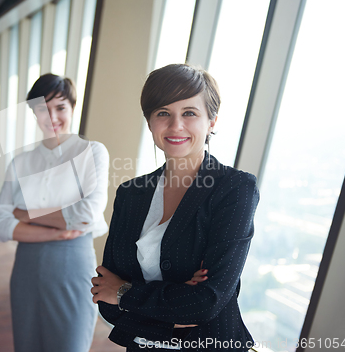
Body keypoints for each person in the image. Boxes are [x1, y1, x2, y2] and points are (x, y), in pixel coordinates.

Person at [91, 64, 260, 351]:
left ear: (212, 121)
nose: (175, 126)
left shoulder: (234, 189)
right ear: (149, 122)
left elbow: (206, 304)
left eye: (190, 113)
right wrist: (174, 310)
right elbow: (105, 300)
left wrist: (124, 292)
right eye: (163, 113)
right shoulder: (130, 194)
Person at [0, 74, 110, 352]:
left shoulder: (92, 153)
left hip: (72, 267)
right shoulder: (21, 162)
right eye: (43, 108)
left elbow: (86, 215)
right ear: (34, 112)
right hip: (26, 270)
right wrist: (58, 231)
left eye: (60, 107)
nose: (52, 116)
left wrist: (25, 213)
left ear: (72, 108)